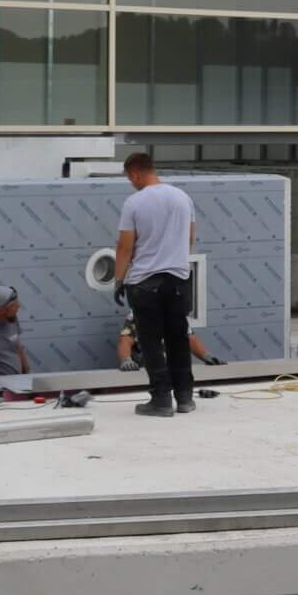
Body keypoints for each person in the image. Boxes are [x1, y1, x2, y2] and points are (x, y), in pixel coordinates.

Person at [115, 152, 199, 417]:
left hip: (144, 282)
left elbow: (125, 246)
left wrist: (119, 279)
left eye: (130, 178)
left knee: (151, 342)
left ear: (135, 173)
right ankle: (185, 398)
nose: (131, 183)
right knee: (178, 338)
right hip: (178, 280)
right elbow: (190, 239)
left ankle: (161, 401)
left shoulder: (134, 202)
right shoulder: (183, 198)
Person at [117, 314, 221, 373]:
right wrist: (126, 360)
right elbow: (125, 340)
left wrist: (206, 356)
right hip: (146, 371)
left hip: (173, 369)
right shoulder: (138, 314)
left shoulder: (175, 312)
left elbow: (189, 337)